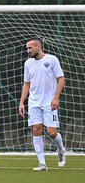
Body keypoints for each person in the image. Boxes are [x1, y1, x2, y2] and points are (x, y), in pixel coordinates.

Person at [19, 38, 66, 171]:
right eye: (27, 48)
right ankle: (42, 163)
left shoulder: (52, 60)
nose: (28, 50)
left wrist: (56, 98)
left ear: (38, 47)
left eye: (30, 48)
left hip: (49, 102)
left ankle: (61, 150)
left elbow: (61, 79)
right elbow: (26, 84)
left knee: (51, 132)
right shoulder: (28, 63)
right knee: (36, 129)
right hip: (33, 102)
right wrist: (22, 102)